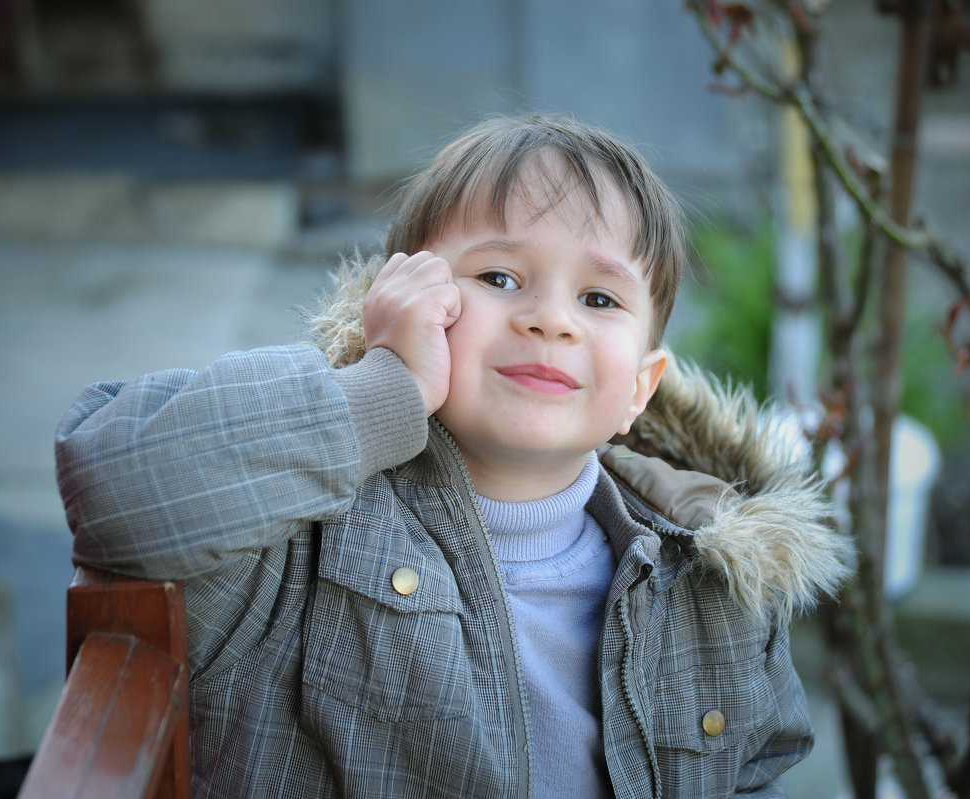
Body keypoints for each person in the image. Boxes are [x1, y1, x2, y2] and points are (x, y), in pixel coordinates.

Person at [55, 113, 853, 798]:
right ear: (407, 300)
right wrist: (380, 390)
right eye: (500, 276)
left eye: (599, 298)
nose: (550, 319)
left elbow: (758, 769)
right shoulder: (295, 533)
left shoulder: (711, 582)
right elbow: (114, 486)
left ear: (642, 387)